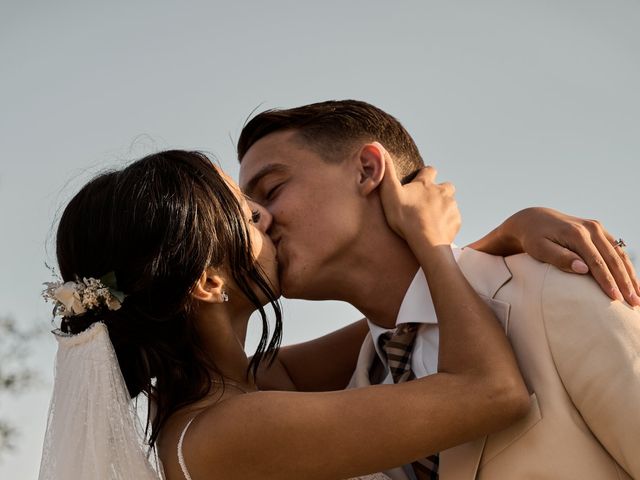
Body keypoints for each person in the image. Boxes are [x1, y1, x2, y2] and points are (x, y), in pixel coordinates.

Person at [39, 149, 533, 480]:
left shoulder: (245, 387)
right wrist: (431, 240)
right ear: (209, 283)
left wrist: (498, 244)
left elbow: (398, 313)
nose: (269, 217)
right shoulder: (226, 431)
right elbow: (492, 392)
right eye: (250, 216)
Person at [237, 100, 640, 480]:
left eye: (271, 190)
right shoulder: (354, 395)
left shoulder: (553, 290)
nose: (257, 222)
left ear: (366, 169)